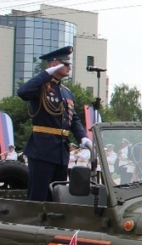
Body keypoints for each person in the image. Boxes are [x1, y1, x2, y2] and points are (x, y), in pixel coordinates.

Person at [16, 45, 91, 201]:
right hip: (42, 149)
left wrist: (83, 137)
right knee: (38, 195)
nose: (70, 67)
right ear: (53, 65)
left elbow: (73, 119)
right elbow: (23, 92)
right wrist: (46, 74)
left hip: (61, 151)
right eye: (66, 64)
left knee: (57, 196)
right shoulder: (41, 87)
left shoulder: (66, 91)